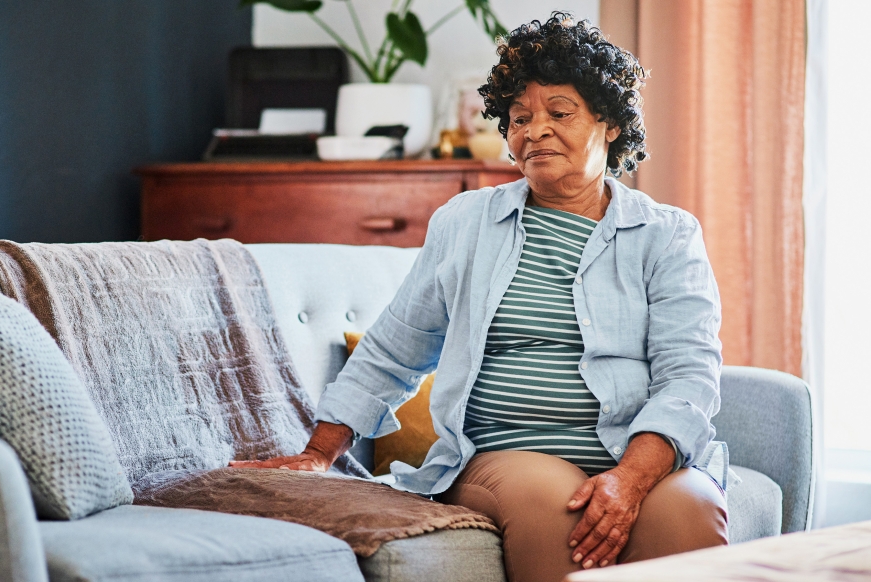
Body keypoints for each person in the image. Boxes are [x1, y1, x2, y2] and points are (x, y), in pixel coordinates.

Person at [231, 13, 729, 582]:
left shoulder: (667, 234)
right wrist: (320, 452)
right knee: (555, 507)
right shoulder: (467, 222)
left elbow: (688, 376)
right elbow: (395, 347)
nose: (534, 130)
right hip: (506, 455)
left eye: (559, 113)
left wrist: (631, 479)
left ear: (610, 123)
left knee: (691, 508)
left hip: (631, 452)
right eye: (519, 118)